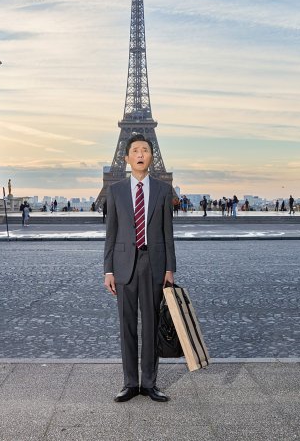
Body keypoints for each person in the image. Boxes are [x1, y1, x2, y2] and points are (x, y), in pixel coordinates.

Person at [104, 134, 176, 403]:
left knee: (151, 325)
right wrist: (108, 270)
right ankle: (130, 383)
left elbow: (167, 233)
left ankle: (149, 383)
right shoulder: (116, 191)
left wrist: (170, 268)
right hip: (124, 265)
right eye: (135, 150)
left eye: (145, 150)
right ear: (126, 158)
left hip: (153, 263)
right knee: (127, 327)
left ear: (151, 156)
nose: (140, 154)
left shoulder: (162, 190)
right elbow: (111, 234)